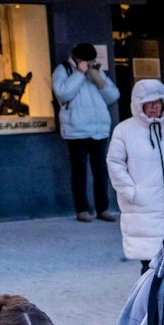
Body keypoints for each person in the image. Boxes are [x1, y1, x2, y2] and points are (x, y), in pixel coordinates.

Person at [107, 78, 164, 271]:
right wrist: (132, 192)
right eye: (148, 103)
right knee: (150, 267)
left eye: (158, 102)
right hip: (143, 211)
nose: (154, 107)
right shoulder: (124, 131)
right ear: (138, 104)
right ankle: (148, 302)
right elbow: (115, 164)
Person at [52, 43, 119, 222]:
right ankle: (82, 209)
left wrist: (98, 79)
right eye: (86, 60)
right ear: (77, 59)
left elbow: (113, 96)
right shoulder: (63, 70)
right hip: (76, 130)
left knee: (101, 172)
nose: (89, 63)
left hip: (99, 129)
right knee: (79, 171)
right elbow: (62, 93)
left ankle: (103, 208)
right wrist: (79, 74)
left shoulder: (95, 70)